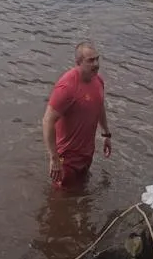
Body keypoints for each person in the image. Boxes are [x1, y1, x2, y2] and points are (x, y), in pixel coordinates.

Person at [42, 41, 112, 189]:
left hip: (87, 153)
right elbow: (47, 121)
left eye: (97, 59)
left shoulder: (98, 81)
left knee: (81, 191)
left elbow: (99, 106)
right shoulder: (67, 87)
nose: (96, 64)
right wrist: (54, 158)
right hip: (66, 158)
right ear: (78, 62)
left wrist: (106, 134)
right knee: (60, 200)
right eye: (90, 60)